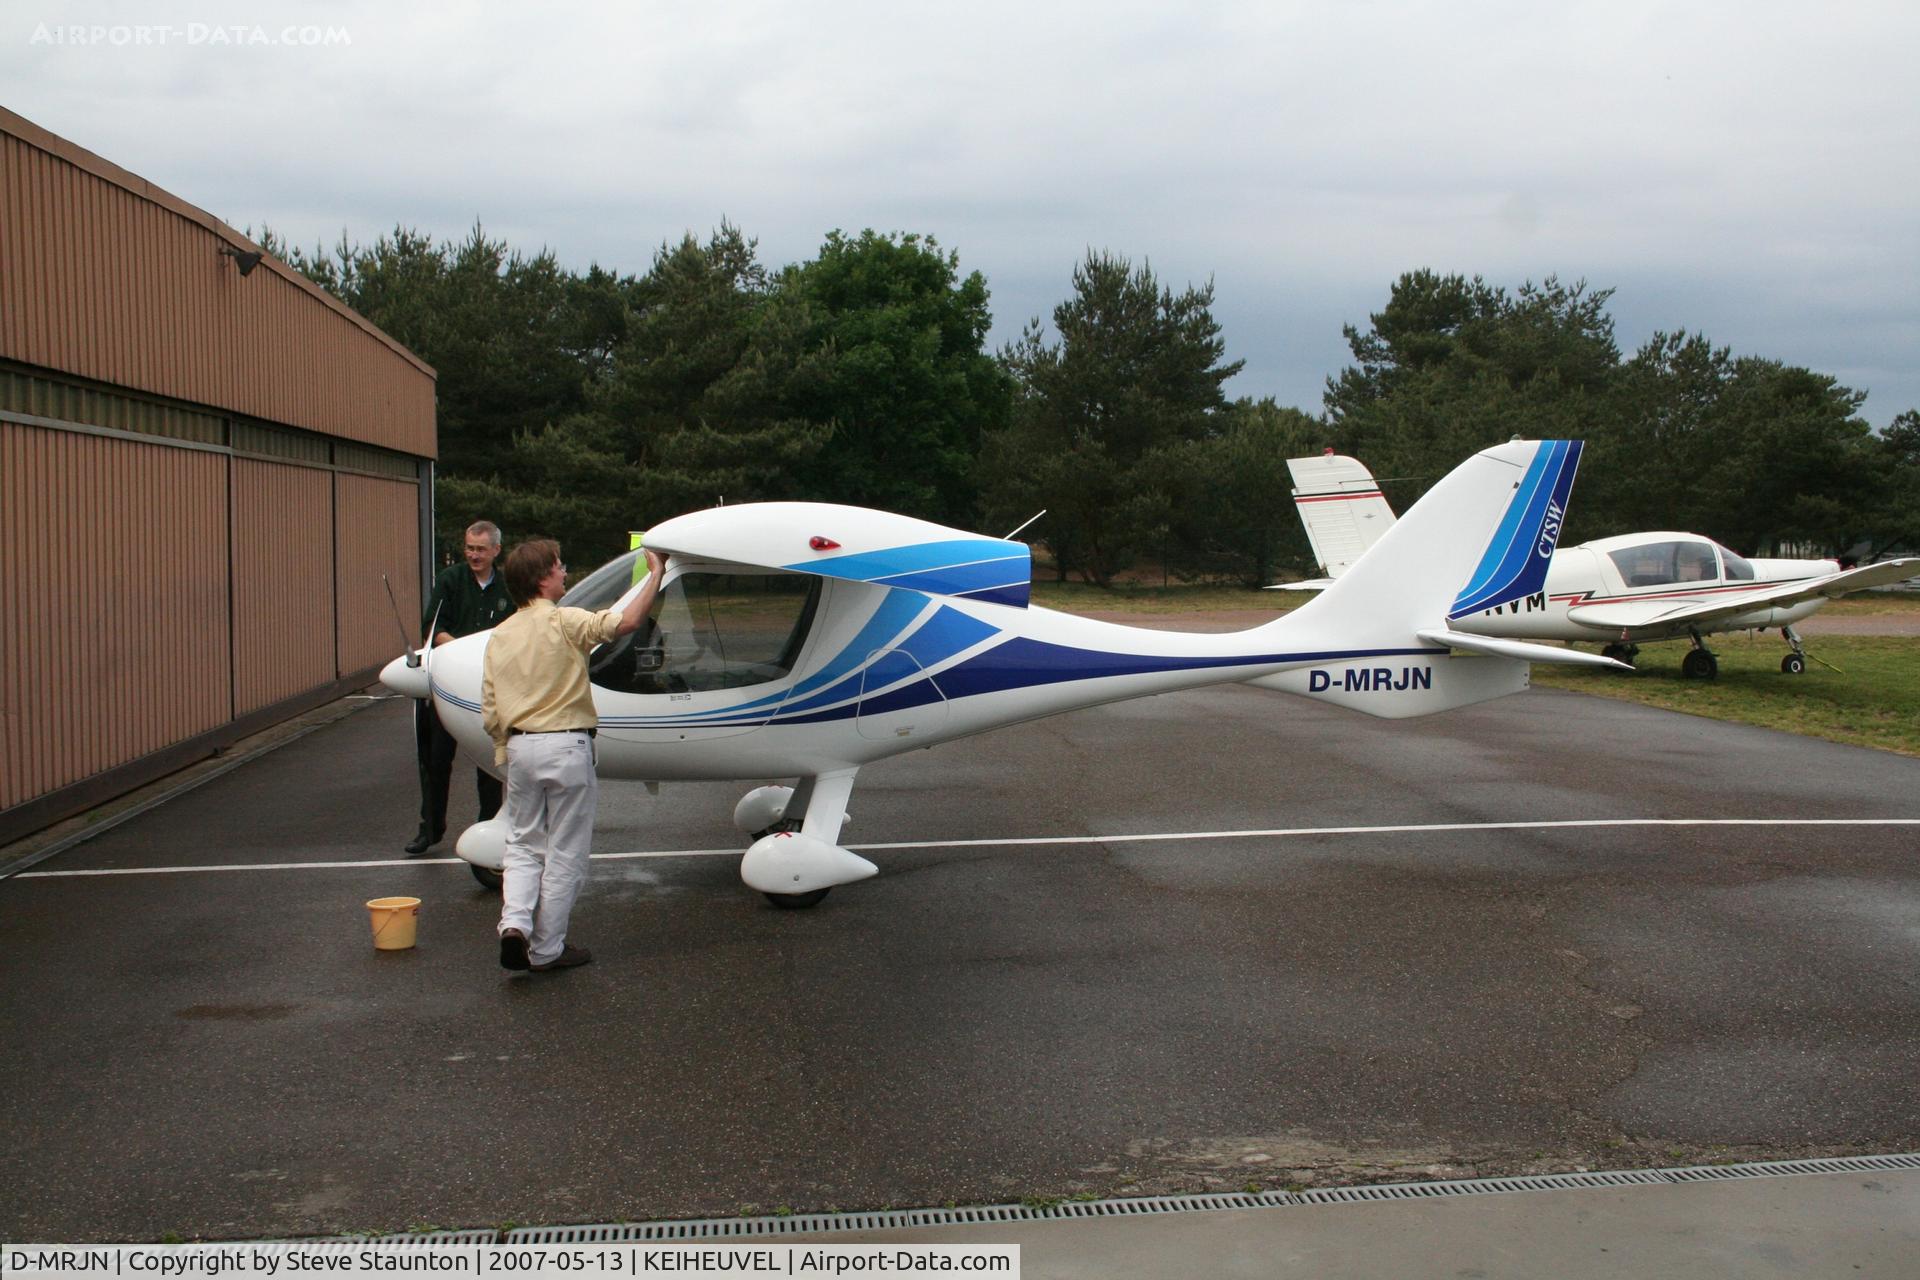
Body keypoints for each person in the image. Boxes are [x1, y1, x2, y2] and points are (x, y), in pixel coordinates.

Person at [485, 539, 666, 972]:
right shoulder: (566, 621)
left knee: (522, 845)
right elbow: (626, 622)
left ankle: (515, 923)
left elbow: (491, 706)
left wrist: (502, 749)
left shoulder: (500, 635)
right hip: (567, 745)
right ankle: (547, 948)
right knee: (565, 851)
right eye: (559, 567)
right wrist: (656, 574)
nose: (564, 572)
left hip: (519, 746)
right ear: (543, 579)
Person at [407, 521, 517, 855]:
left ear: (496, 550)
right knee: (436, 759)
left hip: (491, 689)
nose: (473, 555)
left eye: (481, 549)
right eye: (469, 548)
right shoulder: (450, 580)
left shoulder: (509, 585)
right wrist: (460, 652)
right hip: (449, 686)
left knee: (490, 761)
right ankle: (430, 829)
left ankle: (489, 822)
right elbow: (433, 627)